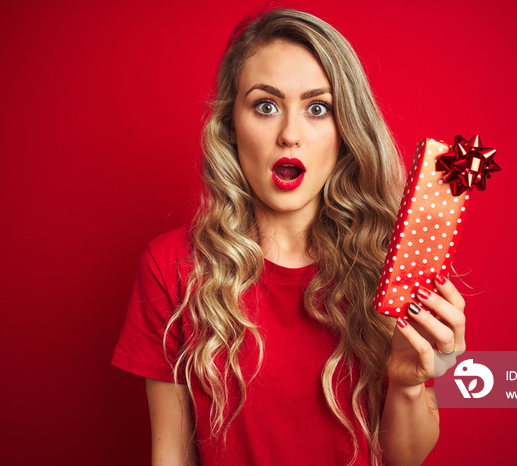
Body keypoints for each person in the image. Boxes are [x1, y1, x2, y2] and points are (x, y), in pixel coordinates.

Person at [112, 8, 466, 466]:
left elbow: (404, 459)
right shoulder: (172, 265)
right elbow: (171, 456)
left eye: (318, 108)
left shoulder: (392, 268)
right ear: (230, 124)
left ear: (345, 131)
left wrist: (409, 384)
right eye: (265, 105)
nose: (290, 135)